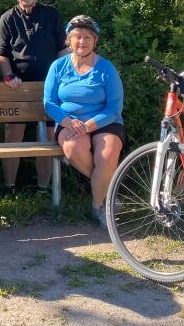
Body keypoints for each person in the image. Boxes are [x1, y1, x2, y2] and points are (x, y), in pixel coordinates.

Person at [43, 16, 125, 229]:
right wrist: (67, 121)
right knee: (72, 148)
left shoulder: (107, 69)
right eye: (77, 37)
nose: (82, 41)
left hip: (104, 122)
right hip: (69, 123)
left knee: (106, 155)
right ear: (69, 41)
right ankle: (109, 188)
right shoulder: (58, 66)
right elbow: (49, 103)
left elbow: (114, 108)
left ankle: (99, 207)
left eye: (87, 37)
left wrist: (89, 126)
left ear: (95, 41)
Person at [0, 0, 66, 194]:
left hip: (48, 85)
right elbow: (2, 54)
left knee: (46, 138)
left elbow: (63, 49)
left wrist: (61, 77)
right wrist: (8, 74)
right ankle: (9, 187)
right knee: (13, 135)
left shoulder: (51, 14)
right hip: (18, 86)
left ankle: (43, 189)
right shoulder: (7, 18)